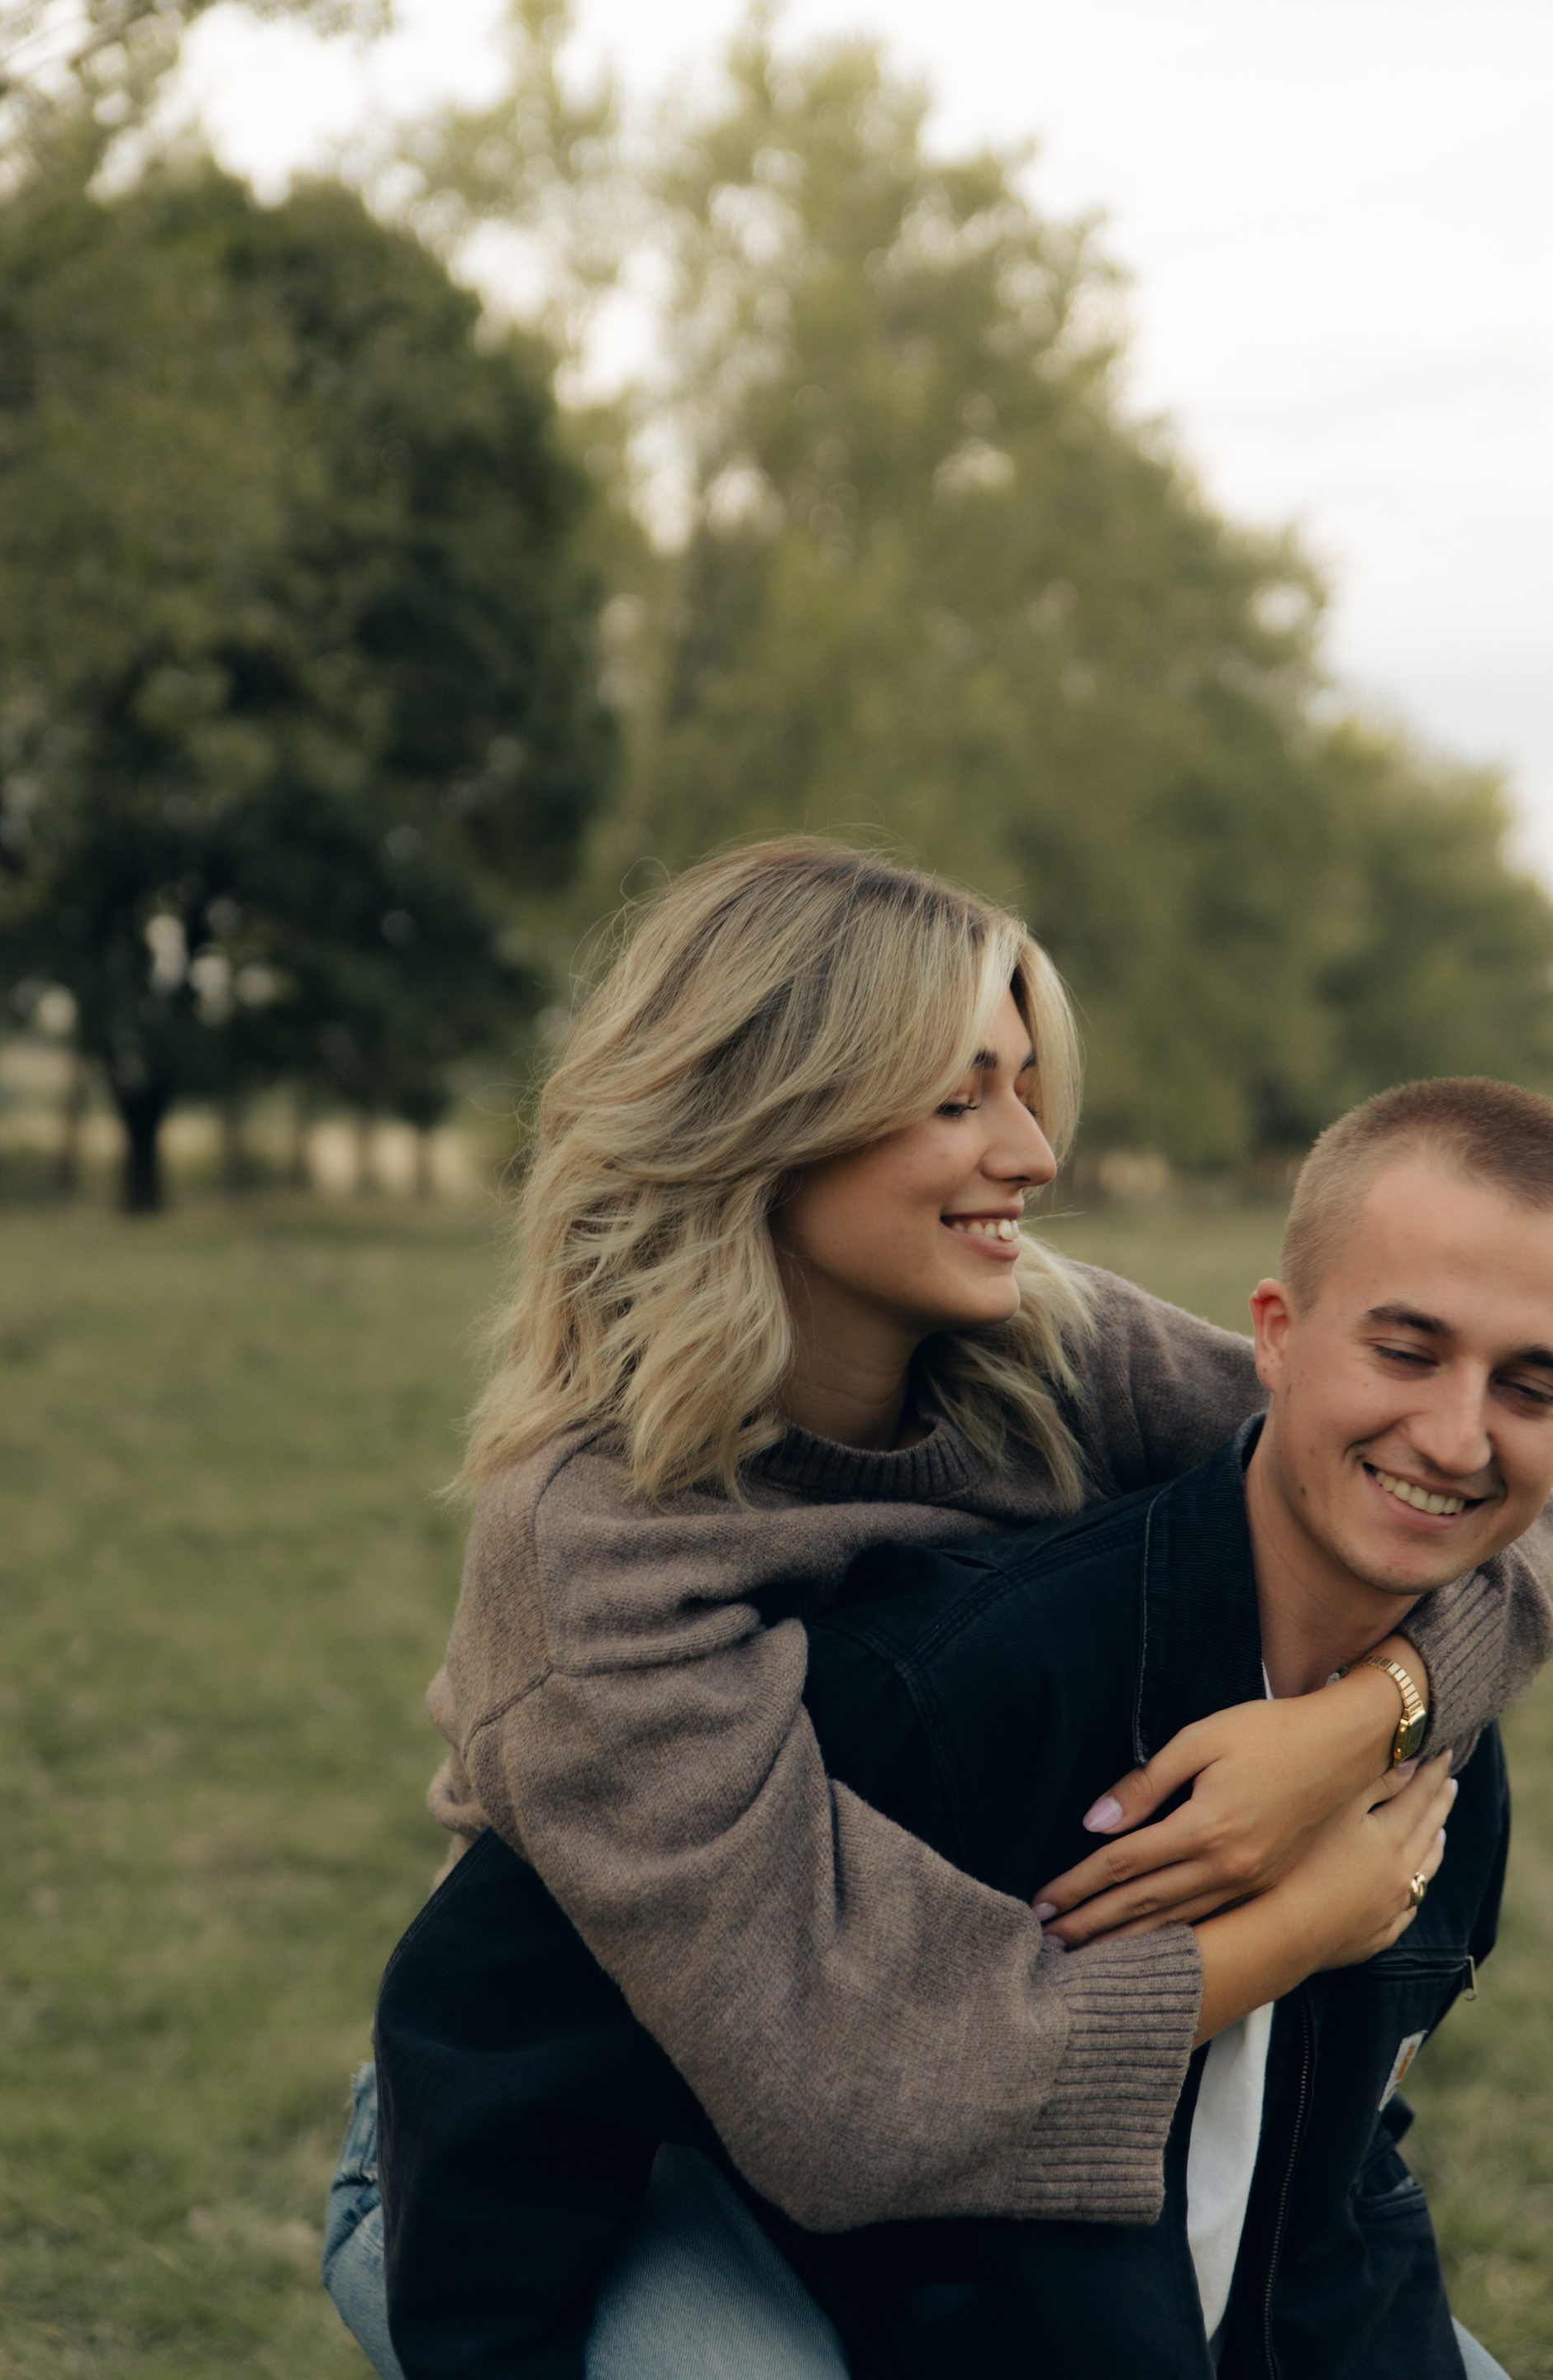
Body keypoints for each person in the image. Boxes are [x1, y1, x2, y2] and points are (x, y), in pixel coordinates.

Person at [323, 844, 1552, 2369]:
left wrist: (1369, 1723)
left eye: (1027, 1089)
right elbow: (850, 2093)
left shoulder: (1055, 1347)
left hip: (916, 2105)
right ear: (769, 1118)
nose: (1033, 1152)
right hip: (569, 2145)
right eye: (961, 1099)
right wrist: (1302, 1925)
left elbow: (1429, 1486)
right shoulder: (597, 1545)